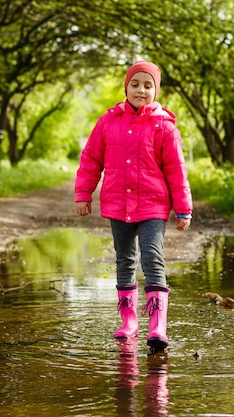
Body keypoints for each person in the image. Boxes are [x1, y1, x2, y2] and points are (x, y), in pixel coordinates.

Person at [74, 60, 192, 354]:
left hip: (153, 203)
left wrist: (183, 208)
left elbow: (176, 169)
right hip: (117, 202)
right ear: (126, 86)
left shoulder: (163, 125)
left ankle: (157, 326)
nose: (141, 90)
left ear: (156, 90)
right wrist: (83, 194)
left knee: (152, 257)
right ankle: (129, 321)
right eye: (135, 84)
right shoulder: (107, 122)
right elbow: (91, 160)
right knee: (124, 259)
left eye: (148, 85)